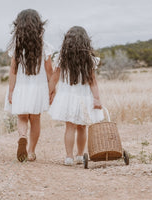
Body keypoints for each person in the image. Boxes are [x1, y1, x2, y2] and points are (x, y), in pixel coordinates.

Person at [48, 26, 104, 166]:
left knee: (70, 127)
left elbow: (54, 78)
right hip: (84, 97)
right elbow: (93, 82)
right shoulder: (89, 59)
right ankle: (79, 155)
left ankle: (68, 157)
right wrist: (96, 98)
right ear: (86, 42)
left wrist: (49, 92)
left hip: (67, 97)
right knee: (82, 127)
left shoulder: (62, 58)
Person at [4, 9, 53, 162]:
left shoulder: (16, 47)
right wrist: (52, 89)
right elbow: (49, 70)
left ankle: (22, 136)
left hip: (21, 86)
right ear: (39, 26)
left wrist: (11, 91)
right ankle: (31, 151)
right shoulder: (45, 46)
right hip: (39, 88)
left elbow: (13, 71)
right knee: (35, 119)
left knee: (22, 116)